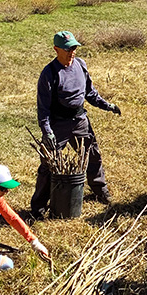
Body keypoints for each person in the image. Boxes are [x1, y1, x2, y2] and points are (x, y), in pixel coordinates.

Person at [31, 31, 121, 218]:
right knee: (49, 164)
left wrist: (107, 105)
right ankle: (38, 206)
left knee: (93, 155)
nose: (72, 52)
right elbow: (43, 109)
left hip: (80, 120)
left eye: (74, 47)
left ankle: (99, 190)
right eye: (67, 49)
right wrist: (47, 132)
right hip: (58, 125)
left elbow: (90, 93)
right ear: (56, 49)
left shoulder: (80, 65)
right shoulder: (49, 74)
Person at [0, 164, 49, 270]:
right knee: (7, 264)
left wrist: (34, 241)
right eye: (3, 188)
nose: (6, 192)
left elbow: (12, 218)